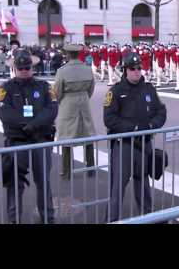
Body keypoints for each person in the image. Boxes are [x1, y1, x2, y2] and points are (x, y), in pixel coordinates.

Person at [0, 49, 58, 223]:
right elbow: (4, 111)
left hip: (40, 139)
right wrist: (25, 126)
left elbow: (51, 109)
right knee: (15, 184)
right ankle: (14, 220)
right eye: (21, 68)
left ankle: (48, 217)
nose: (24, 71)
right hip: (17, 141)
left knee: (43, 182)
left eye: (27, 67)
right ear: (15, 68)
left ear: (32, 67)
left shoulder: (44, 87)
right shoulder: (5, 88)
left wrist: (34, 125)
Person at [103, 52, 167, 222]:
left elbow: (161, 111)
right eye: (133, 68)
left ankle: (147, 217)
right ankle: (111, 219)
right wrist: (134, 128)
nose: (137, 71)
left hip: (144, 144)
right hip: (124, 146)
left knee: (143, 185)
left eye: (139, 67)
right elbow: (109, 118)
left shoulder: (148, 89)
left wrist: (152, 125)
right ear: (125, 70)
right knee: (117, 187)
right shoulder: (116, 91)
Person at [54, 44, 96, 180]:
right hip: (84, 101)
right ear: (79, 54)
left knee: (66, 136)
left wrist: (62, 101)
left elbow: (57, 91)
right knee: (87, 134)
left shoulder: (62, 71)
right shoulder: (87, 69)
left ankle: (66, 171)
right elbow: (91, 88)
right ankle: (90, 168)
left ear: (66, 54)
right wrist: (83, 96)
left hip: (68, 103)